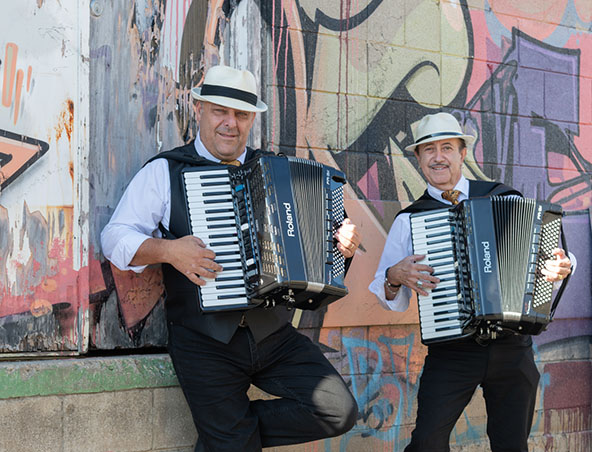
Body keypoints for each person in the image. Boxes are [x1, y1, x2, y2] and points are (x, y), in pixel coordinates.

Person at [101, 65, 360, 452]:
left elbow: (312, 256)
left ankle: (227, 436)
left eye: (240, 114)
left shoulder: (276, 171)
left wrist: (339, 246)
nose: (230, 123)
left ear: (252, 119)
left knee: (338, 411)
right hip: (205, 341)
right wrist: (169, 251)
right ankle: (228, 437)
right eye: (220, 111)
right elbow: (114, 239)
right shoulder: (167, 171)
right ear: (199, 109)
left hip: (272, 334)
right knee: (233, 441)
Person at [369, 112, 572, 452]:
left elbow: (554, 255)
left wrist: (560, 266)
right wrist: (394, 276)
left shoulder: (504, 198)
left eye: (447, 147)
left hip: (512, 348)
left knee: (512, 445)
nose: (438, 157)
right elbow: (385, 289)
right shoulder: (411, 220)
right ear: (418, 159)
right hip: (452, 352)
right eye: (428, 150)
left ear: (462, 153)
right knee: (426, 443)